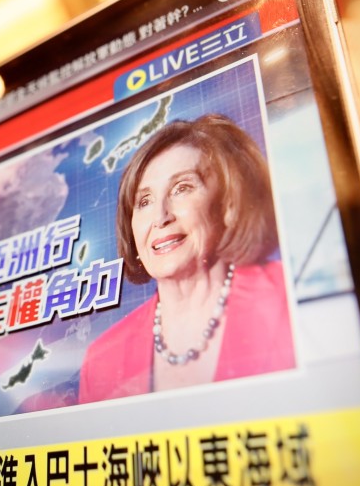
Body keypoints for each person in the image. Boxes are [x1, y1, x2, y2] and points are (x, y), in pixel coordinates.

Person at [79, 114, 295, 403]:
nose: (160, 217)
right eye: (144, 202)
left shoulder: (289, 297)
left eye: (182, 188)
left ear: (229, 203)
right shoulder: (102, 360)